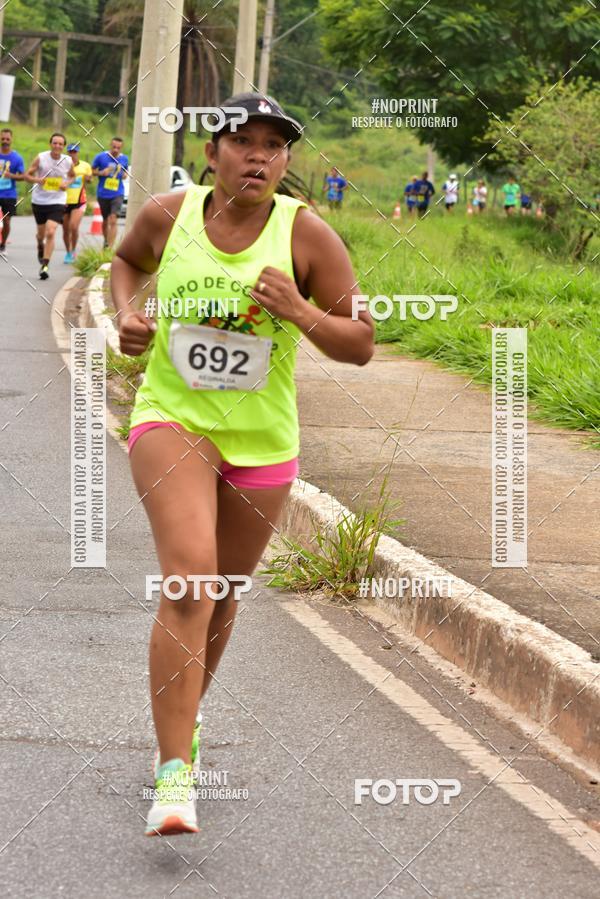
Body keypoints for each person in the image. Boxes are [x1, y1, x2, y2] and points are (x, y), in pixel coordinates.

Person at [111, 91, 374, 837]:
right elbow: (126, 264)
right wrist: (127, 315)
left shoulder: (307, 235)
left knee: (221, 594)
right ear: (212, 153)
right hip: (174, 418)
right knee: (190, 578)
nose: (258, 156)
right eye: (242, 141)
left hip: (263, 442)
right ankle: (173, 777)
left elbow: (360, 341)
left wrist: (298, 310)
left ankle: (184, 721)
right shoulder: (170, 214)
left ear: (286, 162)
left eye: (274, 145)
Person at [25, 133, 75, 279]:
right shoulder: (41, 157)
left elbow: (72, 176)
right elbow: (27, 175)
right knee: (41, 235)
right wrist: (37, 179)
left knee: (51, 232)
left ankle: (45, 266)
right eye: (55, 143)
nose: (57, 146)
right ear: (50, 144)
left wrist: (67, 183)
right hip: (39, 201)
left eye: (60, 144)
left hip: (58, 201)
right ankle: (40, 244)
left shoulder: (67, 160)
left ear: (64, 146)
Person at [92, 136, 129, 248]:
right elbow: (92, 171)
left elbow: (125, 172)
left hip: (118, 193)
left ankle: (111, 248)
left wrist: (124, 175)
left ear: (121, 148)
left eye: (118, 148)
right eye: (114, 147)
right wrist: (101, 173)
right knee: (105, 220)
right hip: (103, 193)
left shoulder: (124, 159)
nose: (116, 150)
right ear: (110, 145)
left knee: (113, 219)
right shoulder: (101, 157)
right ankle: (106, 241)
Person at [62, 143, 92, 263]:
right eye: (70, 152)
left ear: (78, 152)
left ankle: (73, 250)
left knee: (73, 227)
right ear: (67, 153)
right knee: (65, 230)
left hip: (79, 200)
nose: (72, 154)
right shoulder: (62, 166)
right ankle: (68, 251)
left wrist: (89, 179)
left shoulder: (85, 166)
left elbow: (90, 179)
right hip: (64, 201)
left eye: (75, 152)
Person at [0, 128, 25, 253]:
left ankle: (3, 244)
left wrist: (12, 176)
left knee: (7, 221)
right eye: (3, 138)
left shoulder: (16, 158)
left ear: (11, 139)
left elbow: (23, 176)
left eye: (7, 139)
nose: (5, 141)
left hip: (9, 194)